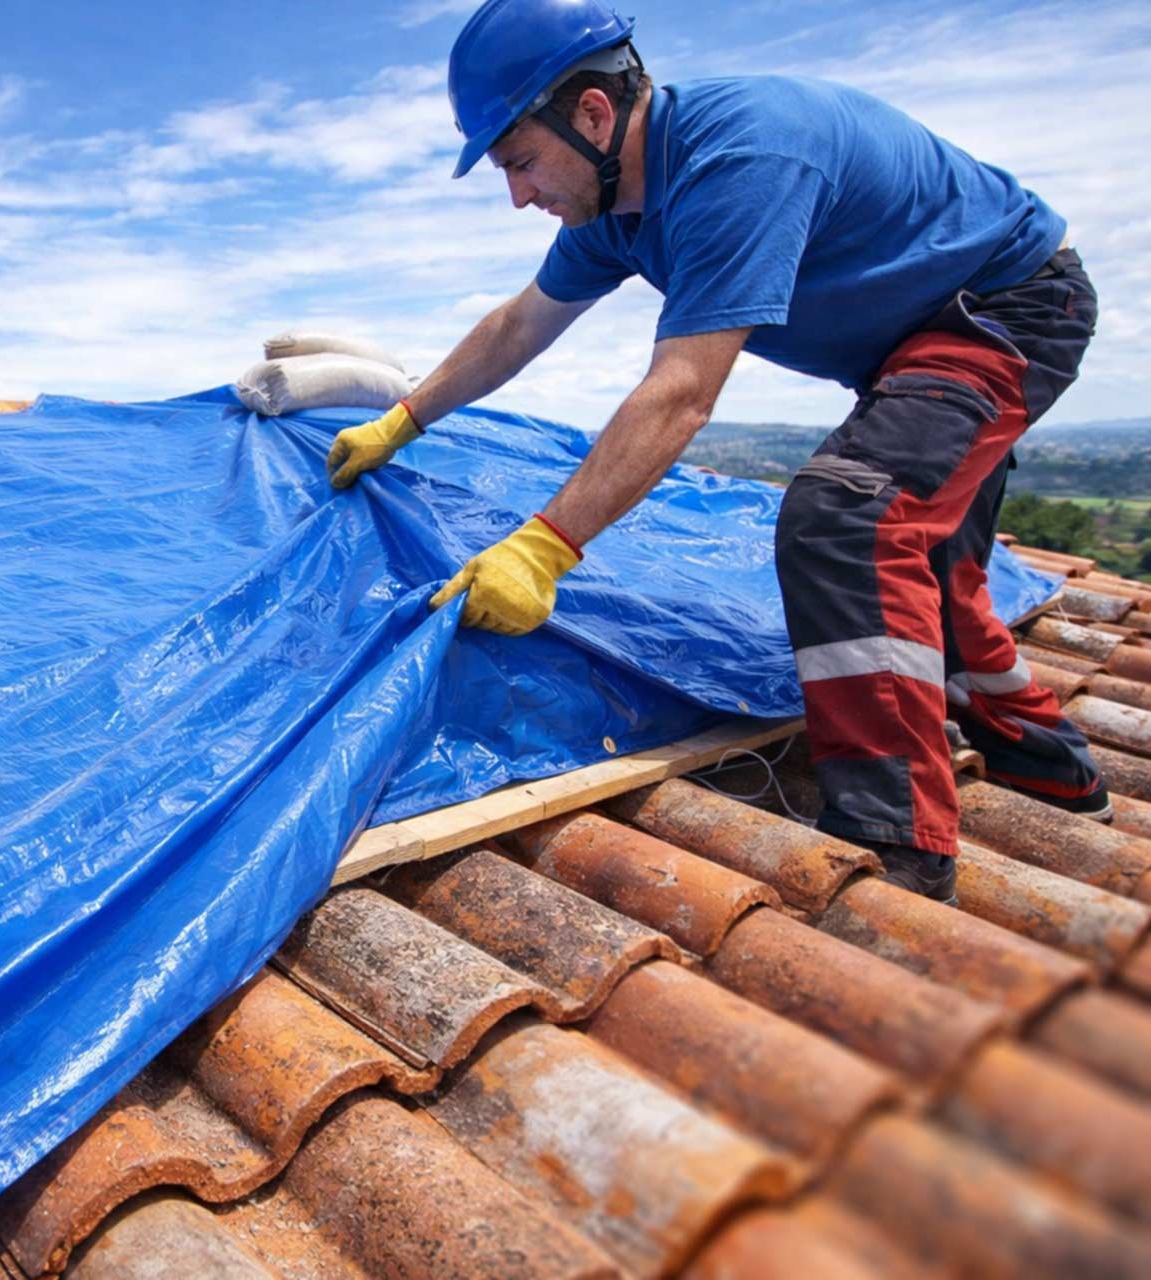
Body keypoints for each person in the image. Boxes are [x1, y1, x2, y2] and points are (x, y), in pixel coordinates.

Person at [325, 0, 1107, 904]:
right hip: (910, 348)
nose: (518, 195)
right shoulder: (615, 206)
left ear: (591, 115)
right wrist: (403, 420)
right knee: (927, 566)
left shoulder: (739, 159)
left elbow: (682, 394)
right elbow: (518, 326)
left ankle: (896, 854)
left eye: (521, 162)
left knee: (846, 519)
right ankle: (1058, 780)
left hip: (1003, 309)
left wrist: (547, 544)